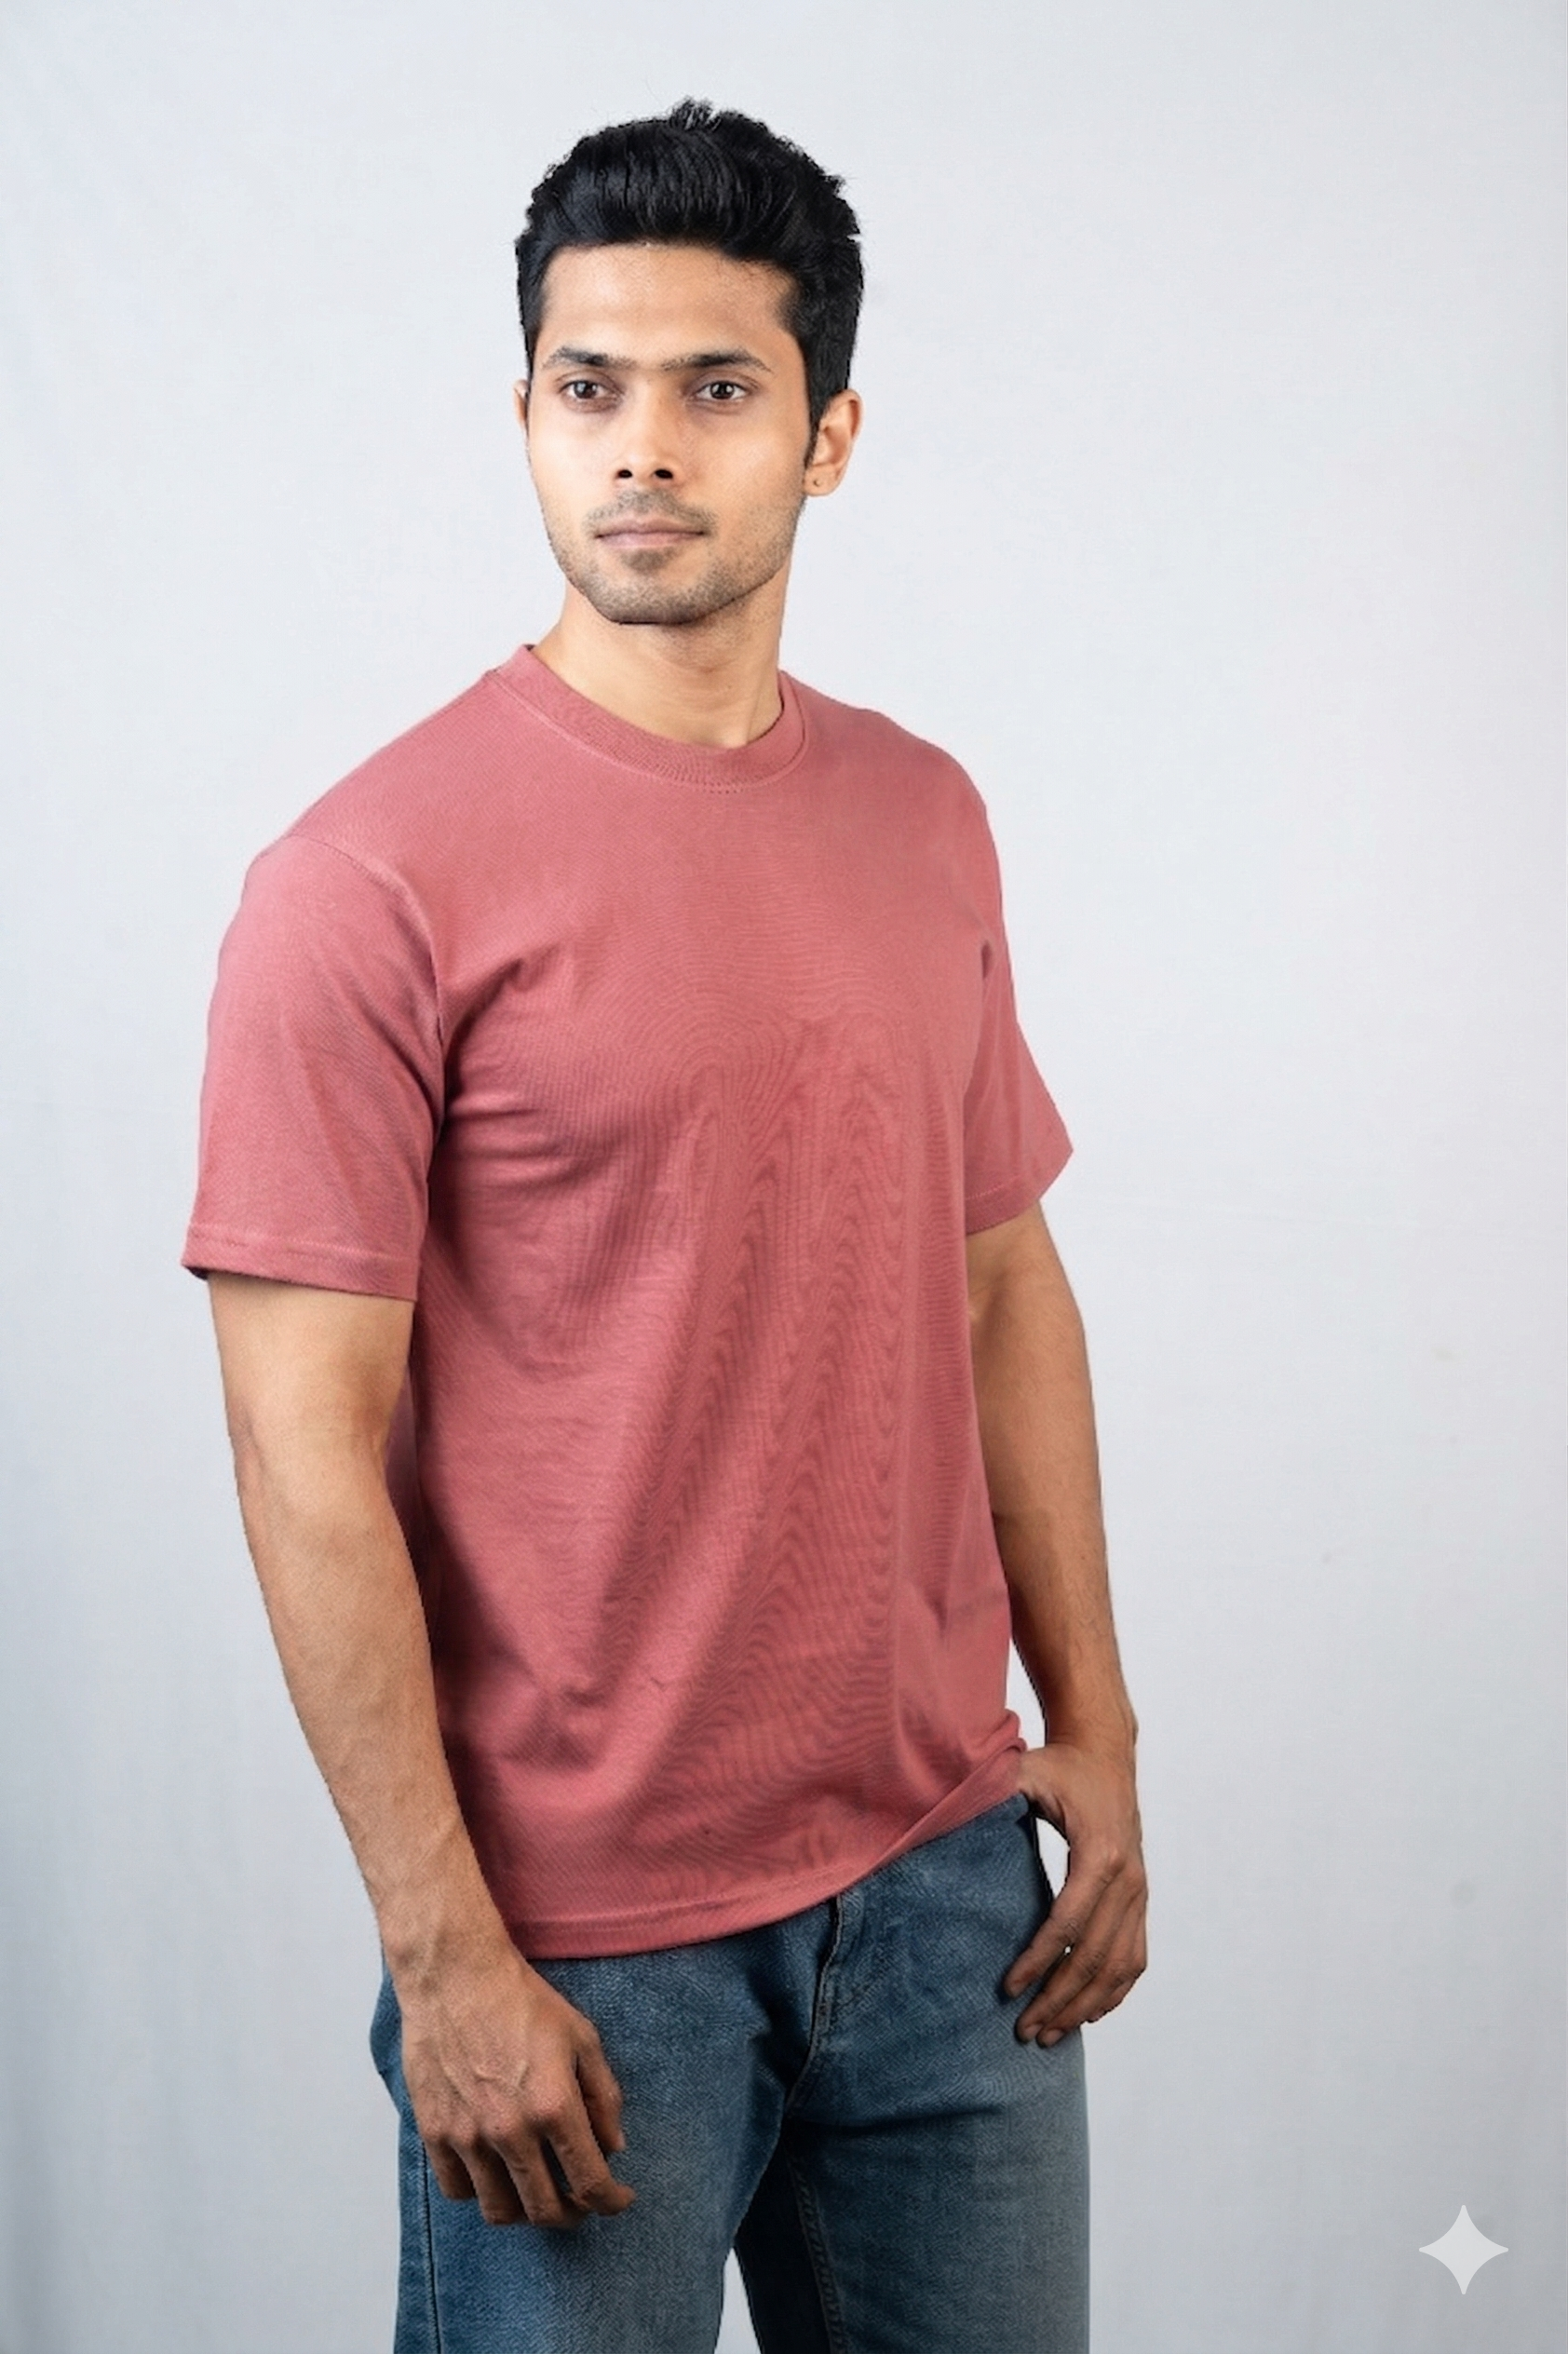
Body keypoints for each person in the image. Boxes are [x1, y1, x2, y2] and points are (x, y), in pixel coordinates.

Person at [183, 97, 1147, 2354]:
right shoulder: (362, 881)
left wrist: (1095, 1728)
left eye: (715, 388)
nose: (639, 446)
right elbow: (299, 1446)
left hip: (946, 1891)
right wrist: (442, 1949)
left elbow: (999, 1277)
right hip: (578, 1941)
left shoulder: (920, 813)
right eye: (586, 385)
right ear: (522, 412)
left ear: (825, 436)